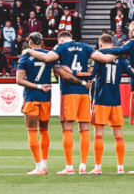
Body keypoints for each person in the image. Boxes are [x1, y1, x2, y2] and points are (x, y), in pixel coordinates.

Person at [22, 30, 115, 174]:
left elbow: (47, 58)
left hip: (69, 93)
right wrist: (121, 52)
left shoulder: (61, 48)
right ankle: (83, 166)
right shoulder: (86, 47)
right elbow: (104, 58)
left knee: (67, 129)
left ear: (60, 40)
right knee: (84, 129)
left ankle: (69, 167)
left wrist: (29, 50)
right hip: (85, 94)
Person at [88, 34, 134, 174]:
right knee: (118, 135)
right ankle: (120, 167)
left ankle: (97, 167)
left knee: (98, 134)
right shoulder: (121, 58)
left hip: (101, 99)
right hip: (116, 101)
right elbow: (131, 73)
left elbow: (91, 75)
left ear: (100, 44)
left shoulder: (97, 56)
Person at [17, 32, 55, 175]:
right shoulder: (50, 56)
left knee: (31, 131)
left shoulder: (25, 56)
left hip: (31, 97)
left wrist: (38, 86)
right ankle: (44, 165)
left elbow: (19, 80)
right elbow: (59, 71)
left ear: (31, 42)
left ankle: (39, 167)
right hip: (46, 98)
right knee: (44, 131)